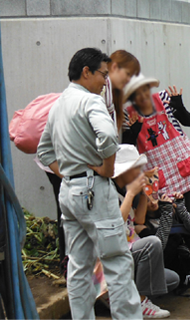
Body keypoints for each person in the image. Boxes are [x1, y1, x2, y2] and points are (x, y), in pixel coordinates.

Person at [37, 48, 142, 319]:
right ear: (86, 72)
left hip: (70, 193)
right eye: (102, 75)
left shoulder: (58, 104)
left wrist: (70, 174)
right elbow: (108, 137)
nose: (105, 82)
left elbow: (44, 152)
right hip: (94, 192)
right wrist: (106, 168)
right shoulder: (90, 102)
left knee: (79, 267)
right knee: (117, 263)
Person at [123, 74, 190, 277]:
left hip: (188, 168)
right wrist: (133, 132)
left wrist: (179, 106)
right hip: (158, 176)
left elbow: (188, 121)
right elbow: (126, 146)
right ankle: (177, 269)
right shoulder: (128, 115)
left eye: (144, 90)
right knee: (169, 223)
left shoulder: (164, 99)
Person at [112, 144, 179, 319]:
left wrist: (142, 195)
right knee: (152, 243)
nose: (139, 173)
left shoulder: (126, 190)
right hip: (113, 253)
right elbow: (115, 226)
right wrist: (130, 195)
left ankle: (126, 295)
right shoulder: (109, 192)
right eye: (135, 168)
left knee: (172, 279)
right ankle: (139, 302)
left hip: (128, 251)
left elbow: (138, 221)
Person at [103, 50, 141, 133]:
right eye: (128, 74)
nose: (129, 80)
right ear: (115, 67)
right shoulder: (100, 91)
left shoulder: (117, 95)